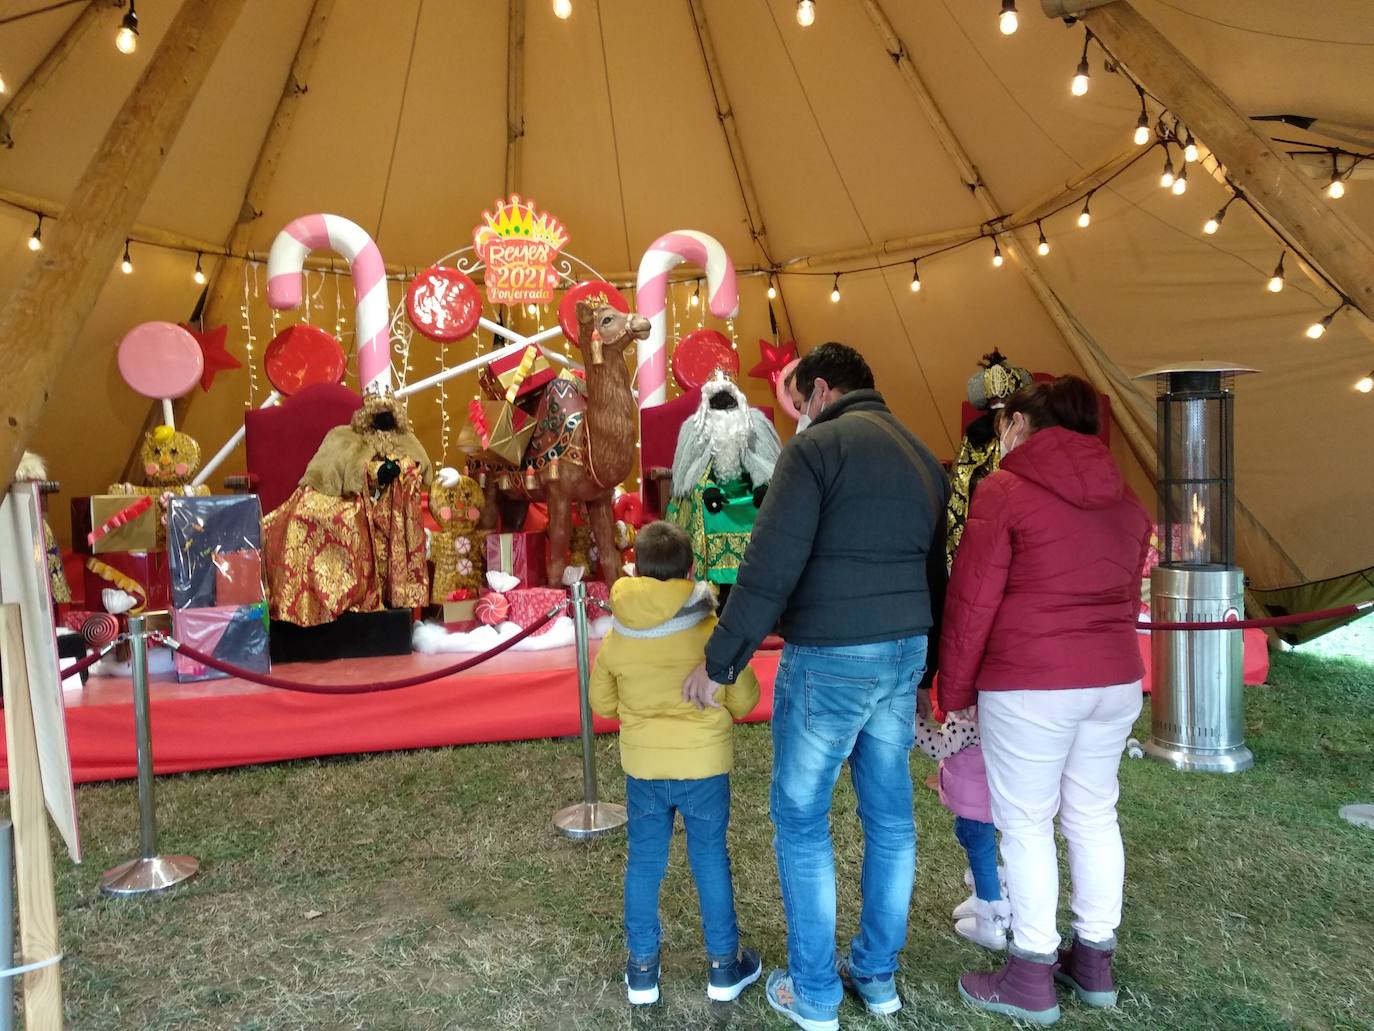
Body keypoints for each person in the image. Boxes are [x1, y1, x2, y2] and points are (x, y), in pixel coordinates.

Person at [682, 342, 951, 1030]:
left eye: (797, 401)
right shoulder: (922, 454)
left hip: (830, 656)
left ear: (822, 390)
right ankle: (877, 975)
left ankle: (814, 992)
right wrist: (930, 669)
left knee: (803, 820)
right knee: (891, 820)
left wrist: (719, 662)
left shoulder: (815, 451)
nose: (795, 415)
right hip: (903, 650)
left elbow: (768, 564)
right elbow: (936, 573)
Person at [938, 376, 1152, 1026]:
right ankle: (1093, 959)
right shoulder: (1129, 503)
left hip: (1031, 683)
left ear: (1025, 426)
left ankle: (1030, 970)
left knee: (1027, 823)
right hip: (1114, 679)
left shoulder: (1002, 493)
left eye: (1006, 423)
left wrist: (952, 689)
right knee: (1092, 814)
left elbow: (971, 602)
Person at [589, 521, 762, 1007]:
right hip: (704, 767)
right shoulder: (711, 632)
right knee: (710, 859)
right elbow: (745, 700)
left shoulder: (619, 634)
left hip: (644, 771)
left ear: (637, 569)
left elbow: (601, 703)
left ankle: (642, 970)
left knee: (645, 864)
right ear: (690, 569)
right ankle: (724, 966)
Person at [915, 706, 1010, 950]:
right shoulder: (1001, 713)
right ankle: (986, 896)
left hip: (977, 805)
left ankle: (990, 920)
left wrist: (910, 720)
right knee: (971, 839)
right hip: (987, 800)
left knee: (981, 853)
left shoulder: (968, 719)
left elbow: (938, 747)